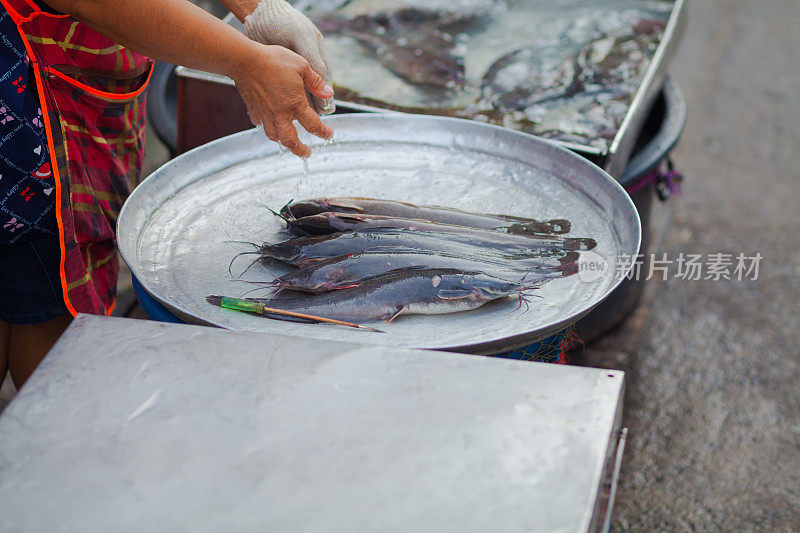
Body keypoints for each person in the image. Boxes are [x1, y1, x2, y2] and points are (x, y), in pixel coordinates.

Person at [0, 0, 334, 387]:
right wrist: (244, 60)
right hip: (26, 123)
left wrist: (259, 10)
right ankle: (48, 433)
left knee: (39, 296)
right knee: (47, 315)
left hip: (77, 87)